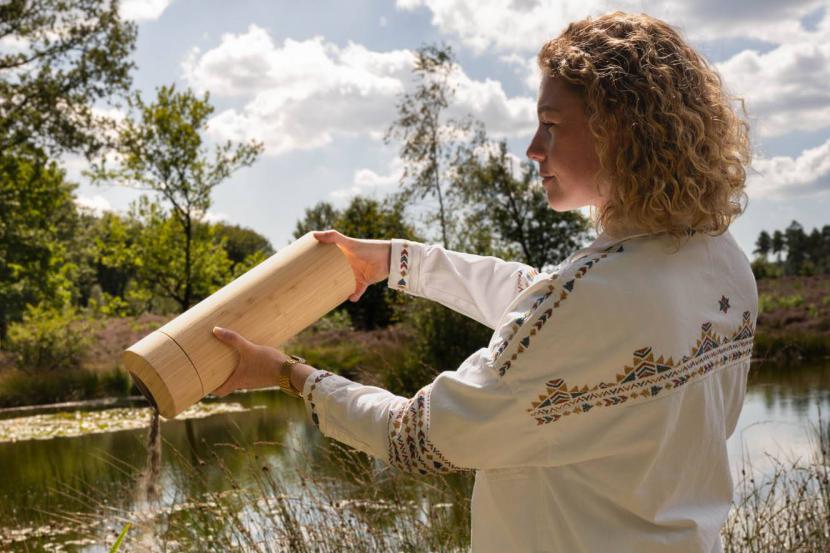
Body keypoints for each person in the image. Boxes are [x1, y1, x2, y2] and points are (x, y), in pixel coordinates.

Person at [211, 11, 758, 553]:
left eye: (552, 123)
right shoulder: (720, 263)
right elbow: (548, 300)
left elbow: (415, 439)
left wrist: (289, 375)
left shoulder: (591, 297)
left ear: (619, 131)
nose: (532, 148)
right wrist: (396, 261)